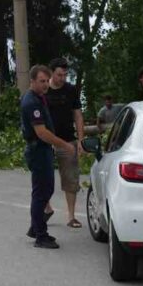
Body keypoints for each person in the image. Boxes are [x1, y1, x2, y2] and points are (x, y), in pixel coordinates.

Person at [21, 64, 75, 249]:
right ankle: (40, 235)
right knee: (41, 193)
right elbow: (41, 132)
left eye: (46, 81)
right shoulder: (31, 102)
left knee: (46, 190)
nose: (45, 85)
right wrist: (64, 144)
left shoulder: (39, 97)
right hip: (38, 150)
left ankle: (37, 228)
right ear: (32, 81)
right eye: (42, 81)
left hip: (43, 150)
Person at [44, 57, 86, 229]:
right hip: (45, 141)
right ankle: (47, 208)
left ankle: (71, 216)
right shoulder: (44, 90)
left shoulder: (70, 90)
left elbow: (77, 115)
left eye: (65, 75)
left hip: (68, 140)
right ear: (51, 73)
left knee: (71, 177)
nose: (62, 78)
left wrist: (81, 140)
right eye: (59, 75)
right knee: (43, 177)